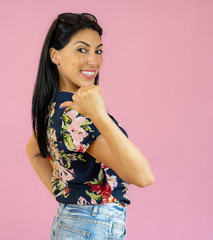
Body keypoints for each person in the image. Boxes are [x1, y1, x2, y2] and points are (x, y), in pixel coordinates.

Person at [25, 12, 155, 240]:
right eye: (82, 49)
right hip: (92, 226)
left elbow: (33, 151)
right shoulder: (78, 116)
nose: (93, 60)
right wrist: (100, 115)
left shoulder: (56, 107)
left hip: (72, 223)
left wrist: (69, 195)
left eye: (98, 51)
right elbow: (143, 176)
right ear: (55, 55)